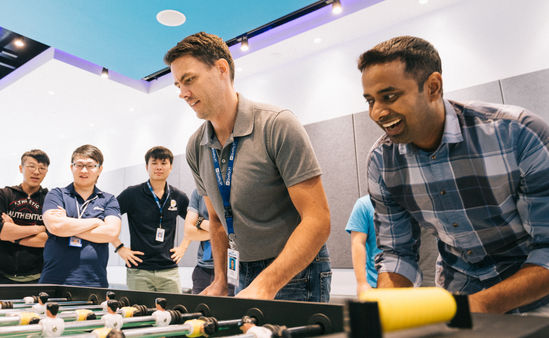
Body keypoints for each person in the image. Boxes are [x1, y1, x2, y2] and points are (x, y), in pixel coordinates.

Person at [360, 35, 549, 314]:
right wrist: (382, 308)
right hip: (458, 292)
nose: (377, 112)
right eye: (370, 101)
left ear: (433, 87)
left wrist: (478, 305)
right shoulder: (381, 162)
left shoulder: (517, 133)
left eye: (389, 97)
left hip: (536, 296)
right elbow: (396, 254)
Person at [164, 32, 332, 301]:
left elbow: (318, 219)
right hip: (240, 269)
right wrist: (220, 280)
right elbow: (216, 221)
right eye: (178, 85)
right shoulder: (196, 146)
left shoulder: (277, 124)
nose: (183, 93)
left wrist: (267, 283)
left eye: (189, 80)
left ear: (221, 69)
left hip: (296, 271)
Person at [40, 144, 121, 287]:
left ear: (99, 169)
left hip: (94, 282)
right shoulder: (57, 194)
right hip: (54, 280)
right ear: (71, 167)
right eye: (79, 165)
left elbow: (111, 233)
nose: (84, 170)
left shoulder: (108, 199)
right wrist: (96, 221)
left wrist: (68, 225)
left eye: (90, 166)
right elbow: (56, 226)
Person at [112, 146, 189, 293]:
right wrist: (119, 247)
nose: (159, 167)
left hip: (169, 271)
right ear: (147, 166)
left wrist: (184, 247)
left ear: (171, 166)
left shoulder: (178, 196)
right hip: (139, 271)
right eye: (154, 163)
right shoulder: (131, 194)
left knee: (174, 313)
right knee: (138, 313)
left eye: (164, 163)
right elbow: (107, 219)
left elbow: (194, 223)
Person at [0, 149, 50, 284]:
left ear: (46, 172)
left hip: (37, 277)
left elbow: (49, 240)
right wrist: (38, 229)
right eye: (31, 166)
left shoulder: (50, 200)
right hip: (3, 276)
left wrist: (14, 235)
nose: (36, 172)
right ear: (21, 168)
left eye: (42, 168)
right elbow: (2, 232)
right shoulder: (4, 195)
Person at [179, 189, 235, 295]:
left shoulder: (235, 189)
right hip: (203, 269)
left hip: (233, 269)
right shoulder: (198, 193)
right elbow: (189, 232)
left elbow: (238, 229)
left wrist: (199, 222)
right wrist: (220, 233)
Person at [345, 195, 382, 296]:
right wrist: (361, 282)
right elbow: (357, 243)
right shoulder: (364, 204)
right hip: (376, 284)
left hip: (413, 283)